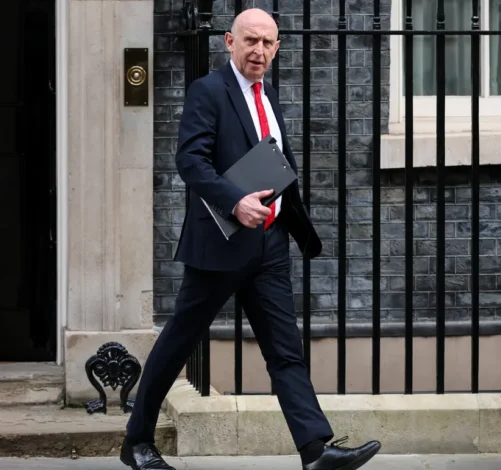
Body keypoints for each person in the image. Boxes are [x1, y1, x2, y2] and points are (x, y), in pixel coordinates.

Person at [120, 7, 382, 470]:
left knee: (285, 349)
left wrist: (288, 218)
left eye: (267, 42)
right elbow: (191, 161)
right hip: (220, 245)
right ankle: (137, 442)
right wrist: (234, 201)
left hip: (269, 245)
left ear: (277, 48)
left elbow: (274, 161)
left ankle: (315, 450)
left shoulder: (269, 94)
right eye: (250, 40)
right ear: (229, 42)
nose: (258, 50)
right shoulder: (208, 91)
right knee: (179, 342)